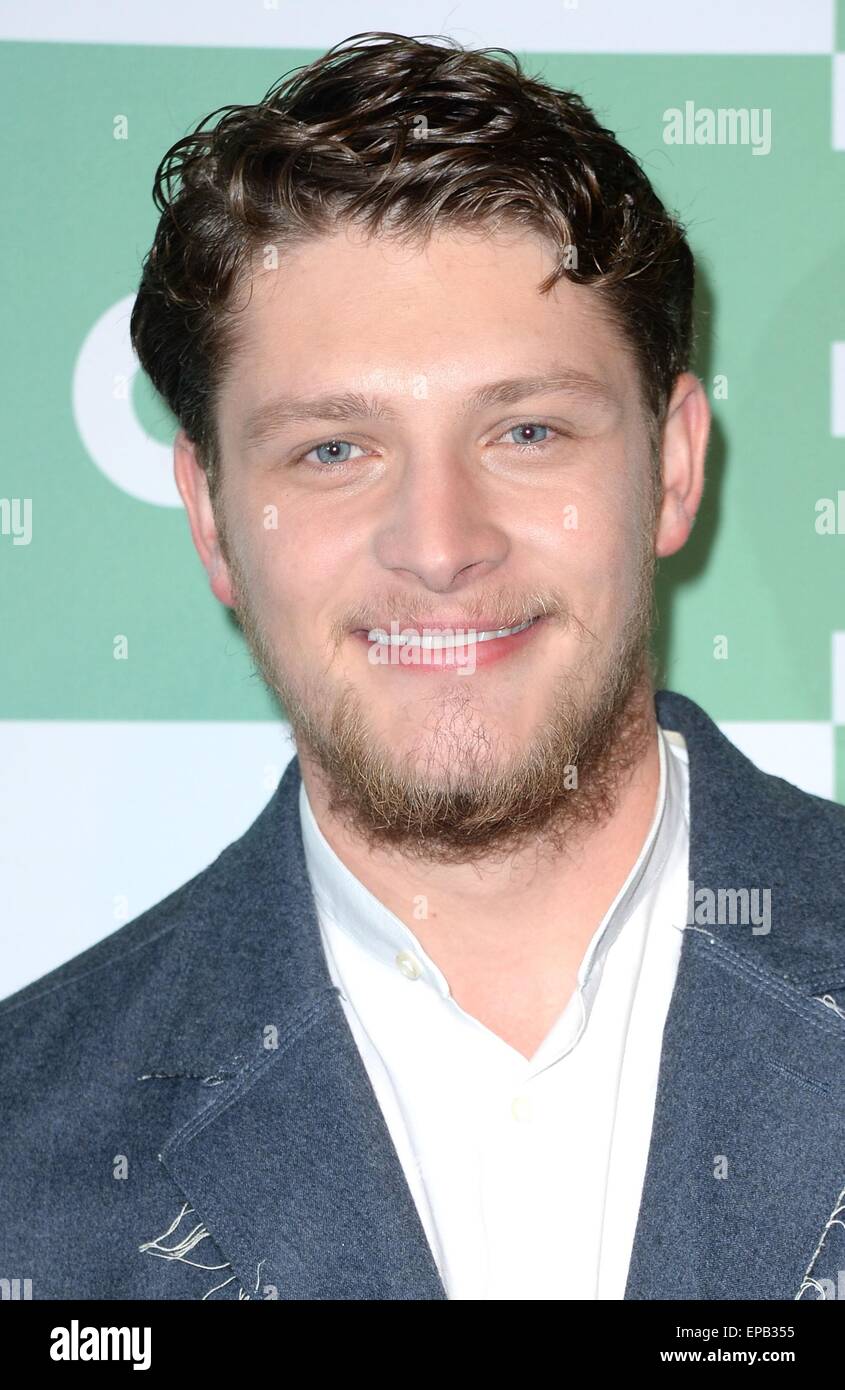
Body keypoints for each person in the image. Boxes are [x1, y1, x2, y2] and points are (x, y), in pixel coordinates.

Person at [2, 31, 844, 1303]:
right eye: (333, 450)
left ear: (670, 467)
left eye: (526, 428)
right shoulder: (26, 1157)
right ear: (212, 517)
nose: (441, 546)